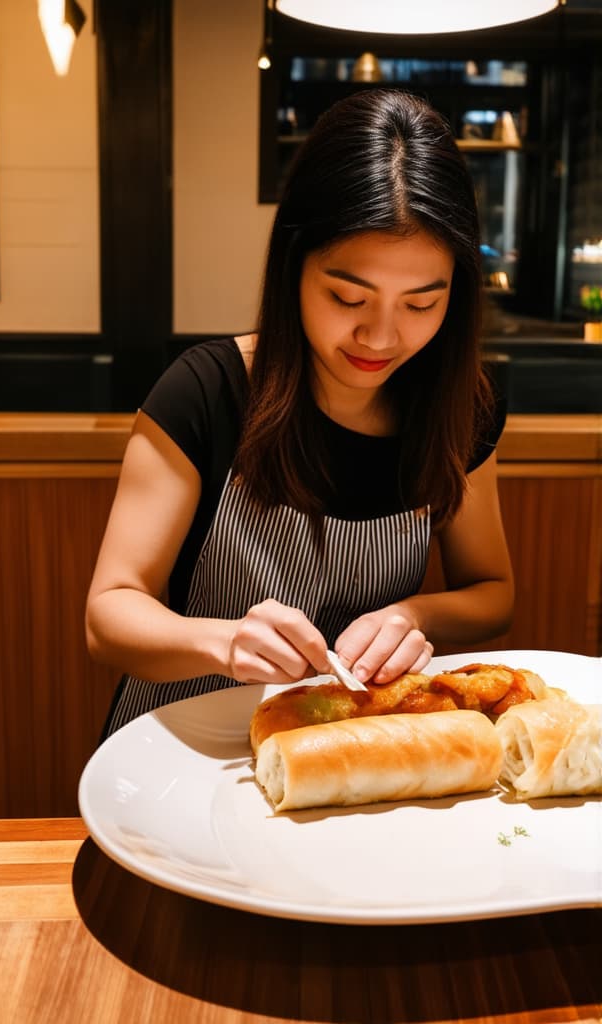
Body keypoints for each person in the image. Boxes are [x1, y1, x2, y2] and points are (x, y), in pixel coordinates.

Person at [86, 88, 514, 738]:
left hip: (348, 740)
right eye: (348, 296)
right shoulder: (207, 391)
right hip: (184, 745)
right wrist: (225, 643)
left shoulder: (460, 406)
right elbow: (110, 613)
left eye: (421, 305)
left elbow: (491, 592)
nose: (380, 336)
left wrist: (415, 615)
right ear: (295, 268)